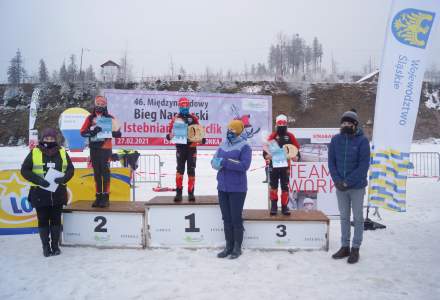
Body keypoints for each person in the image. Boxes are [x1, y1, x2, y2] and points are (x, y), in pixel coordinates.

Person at [21, 128, 74, 257]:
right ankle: (46, 247)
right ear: (42, 139)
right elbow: (25, 170)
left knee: (56, 221)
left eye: (51, 138)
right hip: (40, 194)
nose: (49, 140)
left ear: (55, 139)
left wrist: (64, 178)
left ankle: (55, 247)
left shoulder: (62, 152)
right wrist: (39, 180)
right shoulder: (35, 152)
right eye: (46, 138)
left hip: (58, 193)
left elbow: (70, 169)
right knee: (43, 221)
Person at [328, 109, 370, 264]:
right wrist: (338, 180)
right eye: (343, 123)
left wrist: (347, 182)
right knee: (344, 217)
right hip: (340, 187)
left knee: (358, 218)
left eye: (348, 123)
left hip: (357, 187)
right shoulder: (335, 140)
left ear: (355, 125)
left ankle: (355, 248)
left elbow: (363, 166)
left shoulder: (362, 141)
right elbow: (331, 163)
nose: (345, 125)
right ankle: (345, 246)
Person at [211, 119, 252, 259]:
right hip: (222, 187)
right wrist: (216, 163)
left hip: (237, 188)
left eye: (233, 130)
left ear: (239, 131)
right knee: (226, 218)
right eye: (229, 129)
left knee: (235, 218)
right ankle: (228, 246)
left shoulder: (245, 146)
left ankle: (237, 247)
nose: (230, 132)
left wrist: (225, 162)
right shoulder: (223, 144)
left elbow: (244, 166)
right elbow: (214, 160)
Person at [80, 95, 121, 208]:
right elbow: (82, 132)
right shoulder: (90, 118)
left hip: (106, 149)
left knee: (105, 173)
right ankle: (98, 197)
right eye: (98, 104)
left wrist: (111, 133)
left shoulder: (110, 118)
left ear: (105, 105)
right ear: (95, 104)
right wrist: (92, 131)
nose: (100, 106)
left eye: (102, 104)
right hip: (94, 148)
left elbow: (119, 133)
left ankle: (106, 197)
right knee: (97, 174)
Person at [166, 97, 205, 202]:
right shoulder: (175, 118)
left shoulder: (193, 118)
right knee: (180, 170)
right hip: (180, 148)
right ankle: (179, 192)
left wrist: (202, 138)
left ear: (189, 106)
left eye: (186, 105)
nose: (184, 107)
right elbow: (170, 133)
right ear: (179, 106)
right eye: (182, 105)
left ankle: (191, 192)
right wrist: (169, 136)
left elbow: (199, 131)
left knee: (191, 170)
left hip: (192, 148)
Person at [263, 114, 300, 216]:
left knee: (285, 187)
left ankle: (285, 207)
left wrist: (296, 156)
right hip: (273, 166)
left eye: (283, 124)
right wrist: (267, 156)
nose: (281, 126)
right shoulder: (272, 136)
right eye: (280, 124)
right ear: (276, 124)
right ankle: (274, 206)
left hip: (285, 167)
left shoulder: (290, 136)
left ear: (286, 124)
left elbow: (296, 150)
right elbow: (265, 151)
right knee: (273, 186)